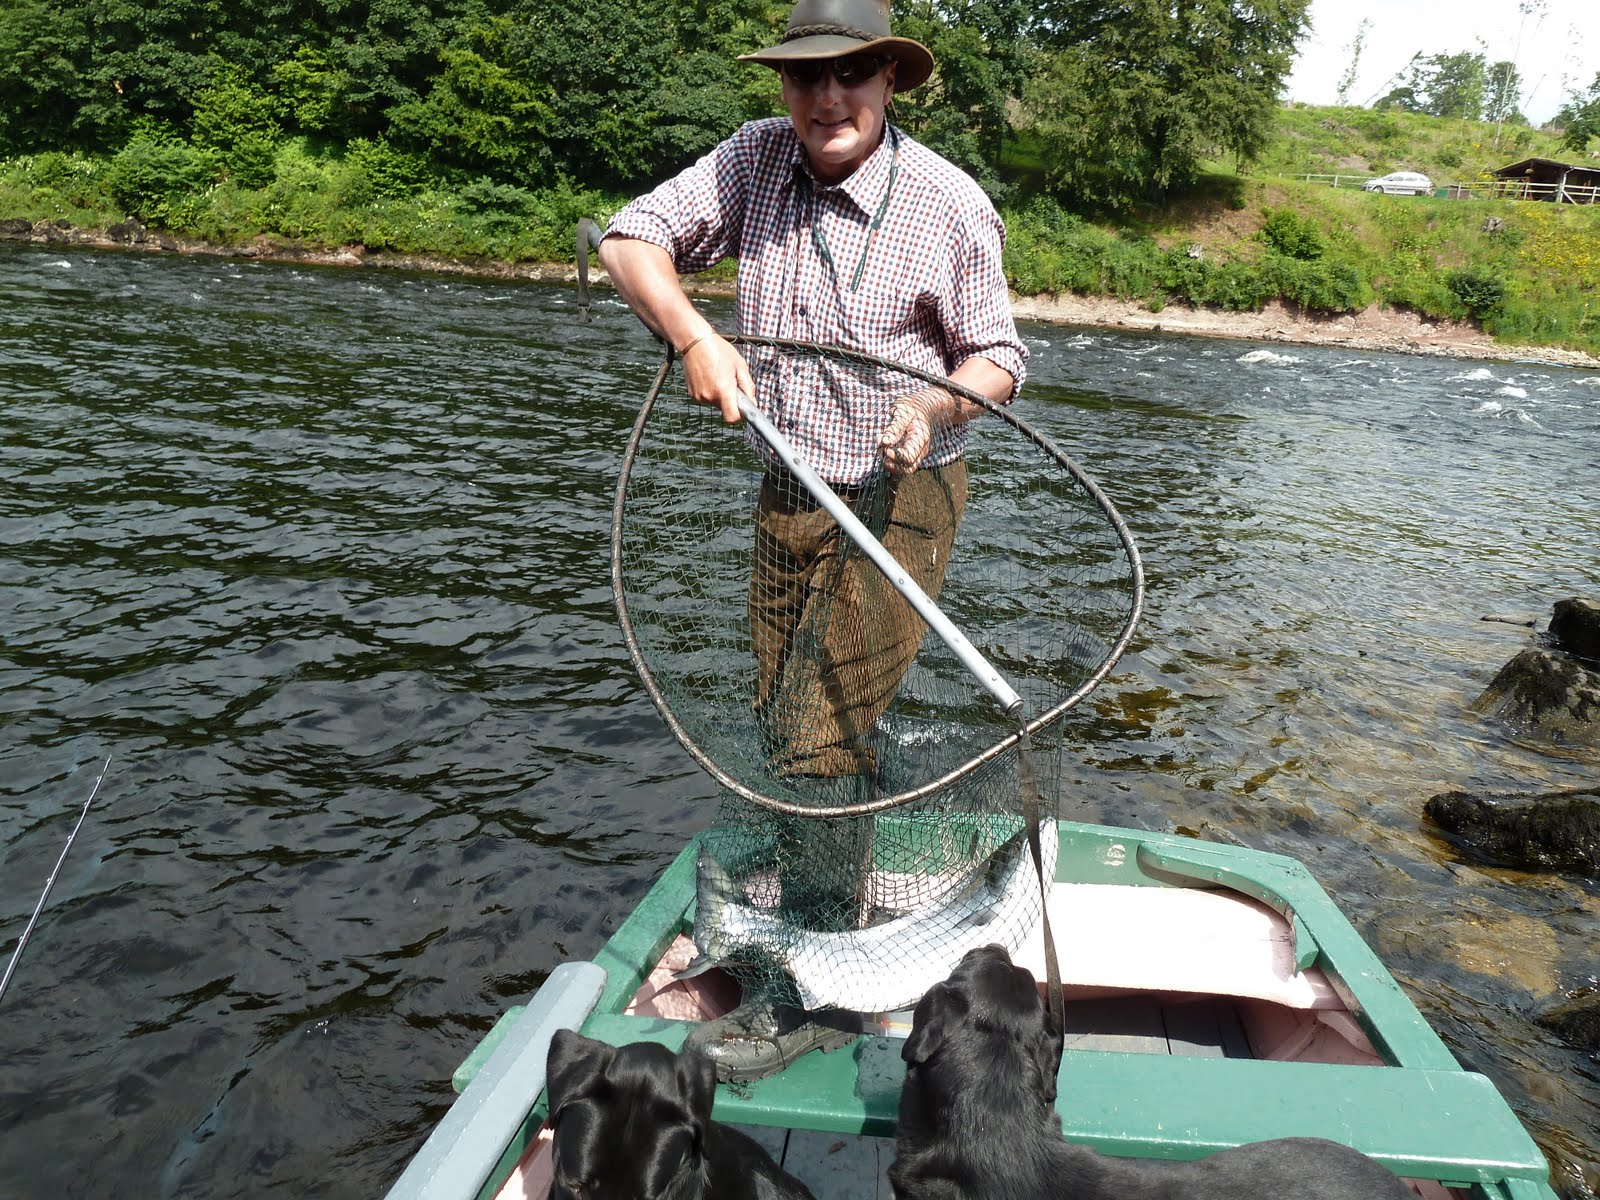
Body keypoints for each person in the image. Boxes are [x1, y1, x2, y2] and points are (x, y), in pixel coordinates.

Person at [599, 0, 1028, 1080]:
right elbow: (628, 239)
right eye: (805, 79)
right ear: (783, 88)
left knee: (812, 736)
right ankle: (833, 881)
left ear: (888, 82)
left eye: (851, 77)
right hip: (791, 487)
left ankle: (813, 990)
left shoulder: (948, 204)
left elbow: (1000, 358)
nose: (826, 100)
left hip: (906, 494)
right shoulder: (753, 161)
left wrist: (933, 409)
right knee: (788, 718)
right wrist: (694, 332)